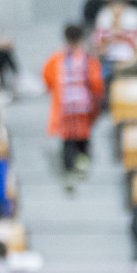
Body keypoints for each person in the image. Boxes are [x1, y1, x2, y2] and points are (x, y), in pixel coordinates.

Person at [42, 24, 102, 192]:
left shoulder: (57, 59)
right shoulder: (87, 59)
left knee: (67, 140)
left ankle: (69, 171)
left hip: (65, 108)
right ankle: (82, 160)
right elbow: (96, 82)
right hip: (83, 109)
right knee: (83, 136)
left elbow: (46, 77)